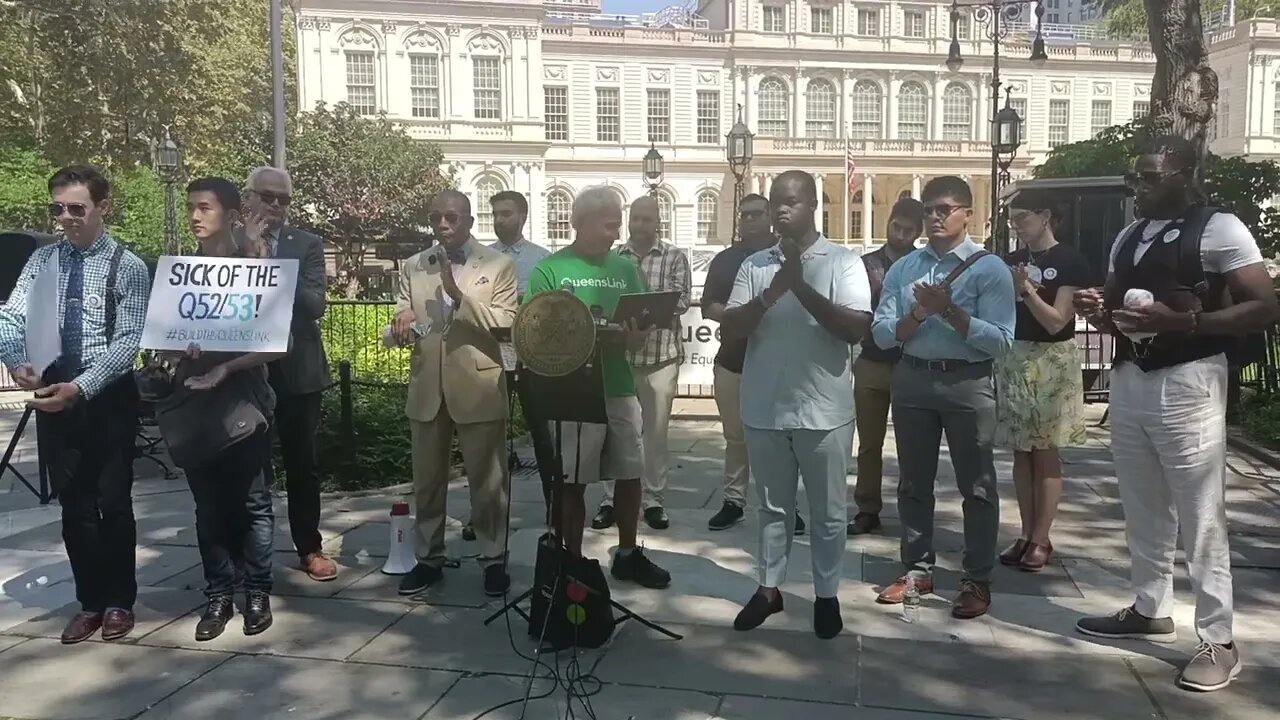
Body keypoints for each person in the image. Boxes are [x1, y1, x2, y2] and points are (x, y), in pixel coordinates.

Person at [1073, 136, 1280, 692]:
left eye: (1147, 176)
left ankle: (1220, 638)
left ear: (1183, 173)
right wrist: (1098, 312)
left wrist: (1184, 324)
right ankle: (1149, 605)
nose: (1135, 186)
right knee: (1142, 505)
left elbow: (1264, 306)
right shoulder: (1128, 235)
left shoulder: (1220, 228)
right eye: (1134, 177)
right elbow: (1120, 314)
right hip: (1132, 378)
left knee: (1200, 514)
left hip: (1190, 380)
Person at [0, 165, 151, 644]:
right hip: (54, 391)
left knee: (113, 502)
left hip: (105, 395)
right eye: (57, 208)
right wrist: (18, 360)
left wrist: (83, 387)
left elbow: (128, 341)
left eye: (76, 208)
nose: (65, 217)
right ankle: (90, 602)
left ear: (102, 208)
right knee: (75, 506)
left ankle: (119, 602)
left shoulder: (127, 265)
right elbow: (10, 314)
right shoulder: (43, 262)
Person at [723, 170, 872, 639]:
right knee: (772, 507)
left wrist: (800, 284)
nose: (780, 210)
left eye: (791, 202)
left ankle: (826, 595)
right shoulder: (754, 265)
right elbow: (733, 329)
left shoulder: (842, 263)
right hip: (765, 406)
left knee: (827, 512)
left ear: (813, 206)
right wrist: (772, 290)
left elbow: (854, 329)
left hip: (824, 410)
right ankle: (769, 588)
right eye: (775, 203)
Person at [870, 175, 1015, 620]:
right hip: (913, 379)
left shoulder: (989, 269)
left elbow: (1003, 341)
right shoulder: (904, 269)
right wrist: (918, 312)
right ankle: (916, 569)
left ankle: (976, 577)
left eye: (945, 209)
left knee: (977, 484)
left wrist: (951, 312)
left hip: (967, 384)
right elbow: (881, 333)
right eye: (929, 209)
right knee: (914, 481)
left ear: (967, 214)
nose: (934, 217)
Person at [525, 186, 671, 590]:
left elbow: (640, 324)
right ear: (582, 222)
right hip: (570, 391)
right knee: (572, 478)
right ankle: (571, 561)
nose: (617, 230)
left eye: (617, 222)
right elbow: (534, 331)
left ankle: (627, 553)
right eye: (610, 223)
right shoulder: (549, 270)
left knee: (629, 472)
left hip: (619, 385)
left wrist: (636, 336)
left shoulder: (625, 269)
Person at [167, 177, 283, 640]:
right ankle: (219, 595)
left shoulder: (250, 265)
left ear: (230, 215)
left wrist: (227, 367)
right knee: (207, 508)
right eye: (192, 207)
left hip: (244, 406)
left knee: (254, 502)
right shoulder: (182, 273)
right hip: (194, 405)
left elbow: (277, 345)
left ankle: (257, 593)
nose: (195, 215)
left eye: (205, 207)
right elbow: (164, 342)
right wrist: (178, 351)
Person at [392, 189, 518, 597]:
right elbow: (404, 314)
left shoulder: (499, 265)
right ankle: (428, 558)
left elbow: (505, 324)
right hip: (428, 385)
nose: (442, 225)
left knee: (488, 483)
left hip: (478, 385)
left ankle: (493, 558)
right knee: (426, 482)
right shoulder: (414, 265)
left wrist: (458, 293)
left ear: (468, 220)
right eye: (435, 218)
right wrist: (402, 320)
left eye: (450, 217)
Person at [241, 167, 336, 583]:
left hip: (298, 370)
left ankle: (308, 547)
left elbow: (315, 304)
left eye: (283, 199)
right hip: (244, 369)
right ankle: (248, 552)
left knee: (302, 464)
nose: (276, 205)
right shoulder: (229, 241)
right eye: (267, 196)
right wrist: (247, 253)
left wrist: (272, 268)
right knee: (248, 465)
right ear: (249, 198)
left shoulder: (307, 244)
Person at [995, 190, 1090, 572]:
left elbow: (1057, 320)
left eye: (1023, 219)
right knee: (1021, 451)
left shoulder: (1069, 260)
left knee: (1046, 451)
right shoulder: (1012, 260)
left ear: (1045, 215)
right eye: (1012, 221)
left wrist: (1028, 290)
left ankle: (1042, 536)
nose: (1017, 227)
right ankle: (1024, 530)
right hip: (1016, 356)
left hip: (1051, 359)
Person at [702, 194, 806, 535]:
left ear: (770, 217)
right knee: (735, 436)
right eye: (743, 214)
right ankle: (734, 500)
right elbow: (709, 305)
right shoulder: (725, 260)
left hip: (776, 361)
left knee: (780, 437)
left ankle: (784, 504)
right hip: (732, 360)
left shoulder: (788, 256)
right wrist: (739, 317)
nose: (749, 220)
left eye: (756, 214)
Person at [594, 196, 692, 531]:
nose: (639, 225)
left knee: (655, 434)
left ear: (657, 222)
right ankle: (610, 500)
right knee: (617, 433)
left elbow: (680, 300)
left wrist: (640, 304)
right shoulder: (613, 257)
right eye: (635, 219)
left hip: (660, 357)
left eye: (646, 220)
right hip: (620, 358)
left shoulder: (675, 256)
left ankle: (653, 501)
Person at [848, 197, 924, 536]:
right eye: (897, 227)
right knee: (868, 443)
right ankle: (867, 507)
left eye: (909, 230)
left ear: (918, 233)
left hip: (911, 363)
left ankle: (913, 507)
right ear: (888, 223)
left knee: (913, 444)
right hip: (872, 361)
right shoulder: (865, 265)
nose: (902, 234)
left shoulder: (924, 265)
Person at [486, 190, 557, 525]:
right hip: (491, 358)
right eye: (496, 214)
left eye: (507, 213)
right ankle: (486, 513)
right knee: (488, 439)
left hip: (531, 359)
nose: (500, 220)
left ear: (523, 216)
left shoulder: (542, 259)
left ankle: (554, 509)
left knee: (543, 439)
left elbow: (542, 305)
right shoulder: (482, 259)